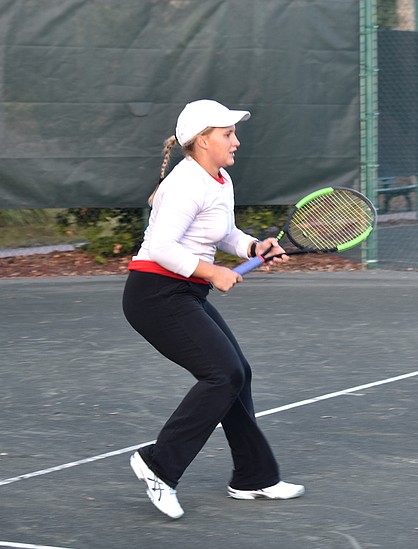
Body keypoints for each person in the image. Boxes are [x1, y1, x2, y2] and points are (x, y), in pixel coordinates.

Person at [122, 99, 304, 519]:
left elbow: (222, 232)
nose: (236, 141)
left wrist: (253, 246)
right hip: (155, 295)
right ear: (203, 141)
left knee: (237, 373)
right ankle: (158, 465)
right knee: (222, 374)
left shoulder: (218, 179)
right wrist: (212, 272)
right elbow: (164, 247)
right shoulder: (186, 183)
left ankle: (254, 477)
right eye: (227, 134)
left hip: (183, 293)